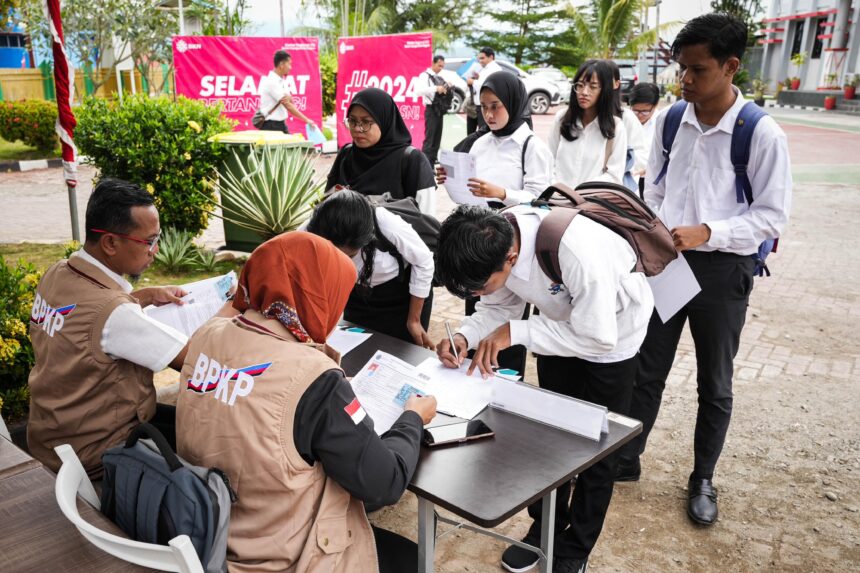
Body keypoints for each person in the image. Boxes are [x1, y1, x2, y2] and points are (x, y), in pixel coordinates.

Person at [616, 14, 792, 527]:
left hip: (724, 272)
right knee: (646, 369)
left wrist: (709, 232)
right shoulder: (674, 120)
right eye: (680, 69)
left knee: (714, 382)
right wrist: (658, 228)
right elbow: (656, 187)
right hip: (668, 263)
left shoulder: (760, 134)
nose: (684, 81)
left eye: (696, 70)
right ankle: (627, 458)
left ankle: (703, 478)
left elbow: (771, 216)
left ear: (731, 67)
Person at [177, 232, 437, 573]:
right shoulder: (314, 377)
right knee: (411, 558)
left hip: (205, 528)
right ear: (318, 295)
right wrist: (412, 419)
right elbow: (383, 482)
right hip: (278, 555)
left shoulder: (208, 334)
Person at [435, 205, 653, 573]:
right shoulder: (496, 239)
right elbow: (497, 304)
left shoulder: (577, 252)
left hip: (612, 340)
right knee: (549, 437)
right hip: (557, 329)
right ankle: (546, 526)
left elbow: (599, 337)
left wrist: (517, 333)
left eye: (481, 284)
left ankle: (576, 546)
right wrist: (464, 335)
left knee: (597, 447)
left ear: (512, 257)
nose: (478, 292)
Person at [27, 178, 190, 478]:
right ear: (111, 243)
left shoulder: (58, 273)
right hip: (98, 453)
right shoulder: (116, 314)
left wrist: (145, 295)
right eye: (149, 241)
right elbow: (193, 362)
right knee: (203, 443)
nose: (155, 250)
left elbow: (89, 317)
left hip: (51, 435)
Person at [438, 70, 554, 378]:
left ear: (514, 103)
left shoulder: (531, 146)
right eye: (484, 106)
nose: (489, 114)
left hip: (514, 243)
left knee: (508, 320)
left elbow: (542, 201)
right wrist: (452, 181)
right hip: (479, 241)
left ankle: (506, 378)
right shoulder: (479, 144)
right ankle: (472, 366)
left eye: (496, 106)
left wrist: (501, 193)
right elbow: (469, 195)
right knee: (479, 304)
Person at [305, 190, 435, 348]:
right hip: (358, 296)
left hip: (401, 298)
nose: (341, 262)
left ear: (365, 240)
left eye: (350, 256)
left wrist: (414, 320)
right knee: (356, 350)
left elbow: (424, 261)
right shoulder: (313, 229)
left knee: (401, 353)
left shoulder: (386, 223)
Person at [328, 87, 437, 215]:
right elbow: (326, 203)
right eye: (352, 121)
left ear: (384, 121)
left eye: (366, 122)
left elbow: (427, 218)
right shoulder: (346, 155)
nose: (358, 128)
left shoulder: (412, 160)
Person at [548, 59, 628, 188]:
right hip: (556, 199)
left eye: (593, 87)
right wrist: (556, 188)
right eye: (580, 85)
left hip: (590, 202)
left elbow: (614, 176)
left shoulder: (616, 128)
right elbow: (548, 162)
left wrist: (582, 193)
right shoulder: (561, 119)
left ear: (605, 90)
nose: (584, 92)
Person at [606, 60, 648, 192]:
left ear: (616, 84)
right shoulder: (568, 118)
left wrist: (618, 163)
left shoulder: (626, 117)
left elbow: (642, 156)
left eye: (605, 81)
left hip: (615, 191)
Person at [257, 49, 318, 133]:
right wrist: (307, 120)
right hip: (270, 126)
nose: (290, 67)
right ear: (281, 64)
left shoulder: (282, 81)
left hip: (280, 124)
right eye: (289, 64)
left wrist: (289, 98)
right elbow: (288, 105)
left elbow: (290, 101)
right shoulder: (271, 82)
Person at [626, 82, 662, 198]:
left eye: (645, 111)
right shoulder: (625, 120)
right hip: (630, 178)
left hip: (653, 181)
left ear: (655, 105)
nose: (639, 115)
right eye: (635, 111)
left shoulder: (662, 122)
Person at [418, 55, 449, 164]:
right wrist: (436, 88)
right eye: (439, 65)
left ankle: (432, 161)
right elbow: (419, 91)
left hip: (439, 110)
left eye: (442, 66)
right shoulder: (424, 75)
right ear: (433, 63)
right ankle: (424, 164)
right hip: (431, 110)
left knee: (437, 139)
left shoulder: (439, 77)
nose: (441, 68)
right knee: (429, 139)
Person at [466, 47, 502, 133]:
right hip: (479, 105)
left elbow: (487, 86)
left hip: (486, 106)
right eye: (479, 59)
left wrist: (473, 81)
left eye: (482, 58)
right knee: (475, 132)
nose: (480, 61)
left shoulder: (493, 69)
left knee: (483, 132)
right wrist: (477, 79)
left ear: (491, 57)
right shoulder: (487, 69)